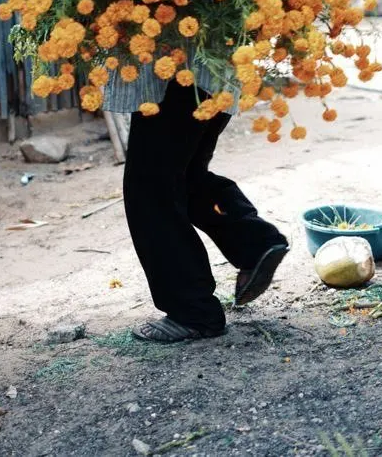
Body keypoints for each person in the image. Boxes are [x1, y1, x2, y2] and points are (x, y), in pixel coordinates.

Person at [103, 59, 289, 343]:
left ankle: (192, 312)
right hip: (213, 69)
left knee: (151, 187)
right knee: (183, 175)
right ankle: (255, 243)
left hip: (179, 68)